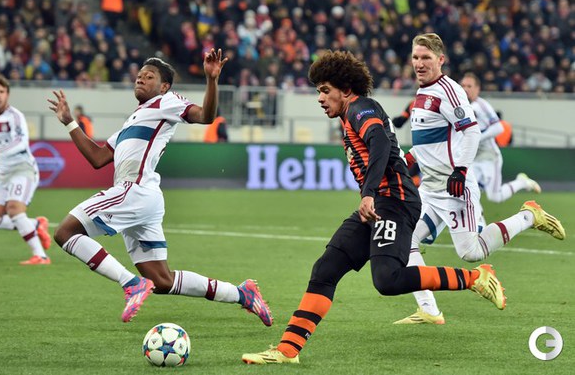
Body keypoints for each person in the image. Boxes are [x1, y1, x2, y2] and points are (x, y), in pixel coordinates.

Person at [242, 50, 506, 365]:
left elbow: (379, 142)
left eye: (325, 90)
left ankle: (475, 278)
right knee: (325, 270)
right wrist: (370, 196)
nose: (320, 98)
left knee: (387, 279)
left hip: (394, 202)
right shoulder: (350, 114)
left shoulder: (360, 108)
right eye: (318, 92)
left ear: (345, 89)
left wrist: (368, 193)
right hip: (378, 204)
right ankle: (287, 351)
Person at [47, 49, 273, 325]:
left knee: (65, 232)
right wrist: (70, 122)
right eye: (139, 75)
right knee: (162, 280)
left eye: (149, 76)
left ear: (164, 86)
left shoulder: (167, 101)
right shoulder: (132, 121)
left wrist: (211, 80)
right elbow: (97, 158)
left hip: (134, 190)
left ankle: (130, 283)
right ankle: (241, 294)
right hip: (143, 197)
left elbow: (206, 116)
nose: (140, 79)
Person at [394, 34, 565, 325]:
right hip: (431, 190)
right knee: (405, 242)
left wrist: (460, 170)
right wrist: (409, 160)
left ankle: (528, 216)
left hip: (453, 187)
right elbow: (428, 143)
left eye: (426, 58)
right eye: (415, 57)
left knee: (471, 253)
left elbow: (471, 131)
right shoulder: (422, 93)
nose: (419, 63)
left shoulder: (450, 91)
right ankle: (429, 309)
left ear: (440, 60)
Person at [0, 77, 51, 265]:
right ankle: (36, 224)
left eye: (1, 92)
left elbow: (21, 142)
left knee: (14, 209)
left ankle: (41, 256)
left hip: (24, 169)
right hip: (4, 175)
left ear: (7, 94)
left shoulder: (15, 116)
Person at [460, 72, 540, 222]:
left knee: (495, 196)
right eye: (463, 85)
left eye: (469, 86)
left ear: (477, 88)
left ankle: (522, 182)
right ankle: (479, 223)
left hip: (489, 156)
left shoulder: (481, 105)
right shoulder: (461, 107)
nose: (465, 89)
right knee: (467, 190)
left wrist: (477, 137)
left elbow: (498, 128)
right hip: (473, 157)